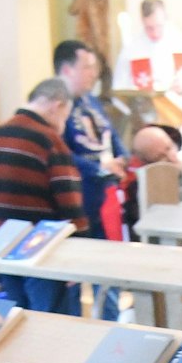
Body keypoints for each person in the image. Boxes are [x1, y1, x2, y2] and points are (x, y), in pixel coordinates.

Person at [0, 79, 87, 315]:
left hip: (2, 247)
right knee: (53, 326)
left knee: (19, 322)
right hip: (41, 251)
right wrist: (79, 249)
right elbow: (69, 199)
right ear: (56, 106)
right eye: (65, 117)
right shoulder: (48, 139)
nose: (62, 125)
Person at [54, 39, 127, 271]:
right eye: (86, 67)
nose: (93, 74)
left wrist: (123, 158)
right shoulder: (55, 105)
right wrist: (99, 169)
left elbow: (111, 136)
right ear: (67, 70)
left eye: (94, 67)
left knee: (110, 265)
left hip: (105, 194)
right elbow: (60, 151)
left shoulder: (91, 101)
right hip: (78, 197)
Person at [113, 0, 182, 110]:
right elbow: (119, 91)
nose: (155, 33)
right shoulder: (132, 50)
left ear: (166, 18)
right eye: (149, 28)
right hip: (146, 120)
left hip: (180, 116)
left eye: (159, 26)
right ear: (142, 21)